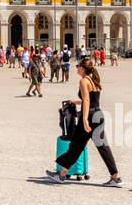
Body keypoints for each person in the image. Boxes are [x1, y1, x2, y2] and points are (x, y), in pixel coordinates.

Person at [46, 58, 122, 186]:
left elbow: (86, 101)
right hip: (98, 114)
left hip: (90, 117)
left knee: (75, 146)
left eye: (77, 66)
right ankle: (116, 177)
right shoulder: (94, 80)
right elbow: (91, 100)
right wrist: (74, 102)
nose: (76, 68)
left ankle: (61, 175)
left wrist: (85, 119)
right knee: (103, 147)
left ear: (82, 68)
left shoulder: (83, 81)